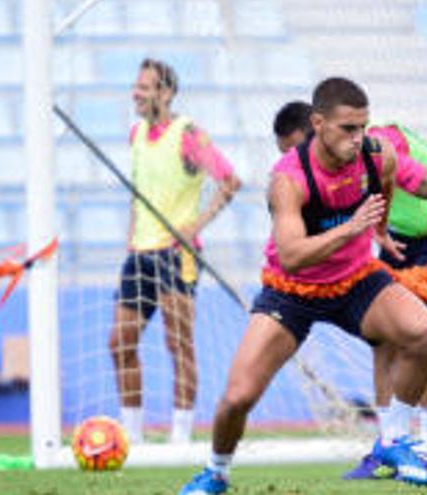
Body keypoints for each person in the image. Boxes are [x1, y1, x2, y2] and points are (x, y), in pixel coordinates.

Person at [179, 77, 427, 494]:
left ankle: (391, 439)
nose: (359, 138)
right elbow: (292, 255)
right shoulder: (289, 179)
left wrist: (377, 227)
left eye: (363, 126)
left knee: (425, 333)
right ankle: (215, 472)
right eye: (348, 129)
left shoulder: (379, 155)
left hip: (356, 280)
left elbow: (386, 181)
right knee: (237, 397)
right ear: (318, 123)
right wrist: (353, 227)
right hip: (293, 292)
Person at [272, 101, 427, 480]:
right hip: (400, 231)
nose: (295, 165)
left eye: (296, 151)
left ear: (319, 134)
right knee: (384, 338)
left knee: (423, 331)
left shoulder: (376, 148)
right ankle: (390, 443)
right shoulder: (311, 173)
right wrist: (379, 229)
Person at [109, 58, 241, 445]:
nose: (136, 93)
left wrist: (194, 227)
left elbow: (230, 180)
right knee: (119, 342)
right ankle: (131, 436)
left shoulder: (188, 134)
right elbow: (139, 193)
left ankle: (180, 439)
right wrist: (131, 238)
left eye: (144, 87)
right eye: (136, 86)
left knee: (177, 343)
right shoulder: (135, 134)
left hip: (176, 254)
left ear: (165, 93)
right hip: (139, 254)